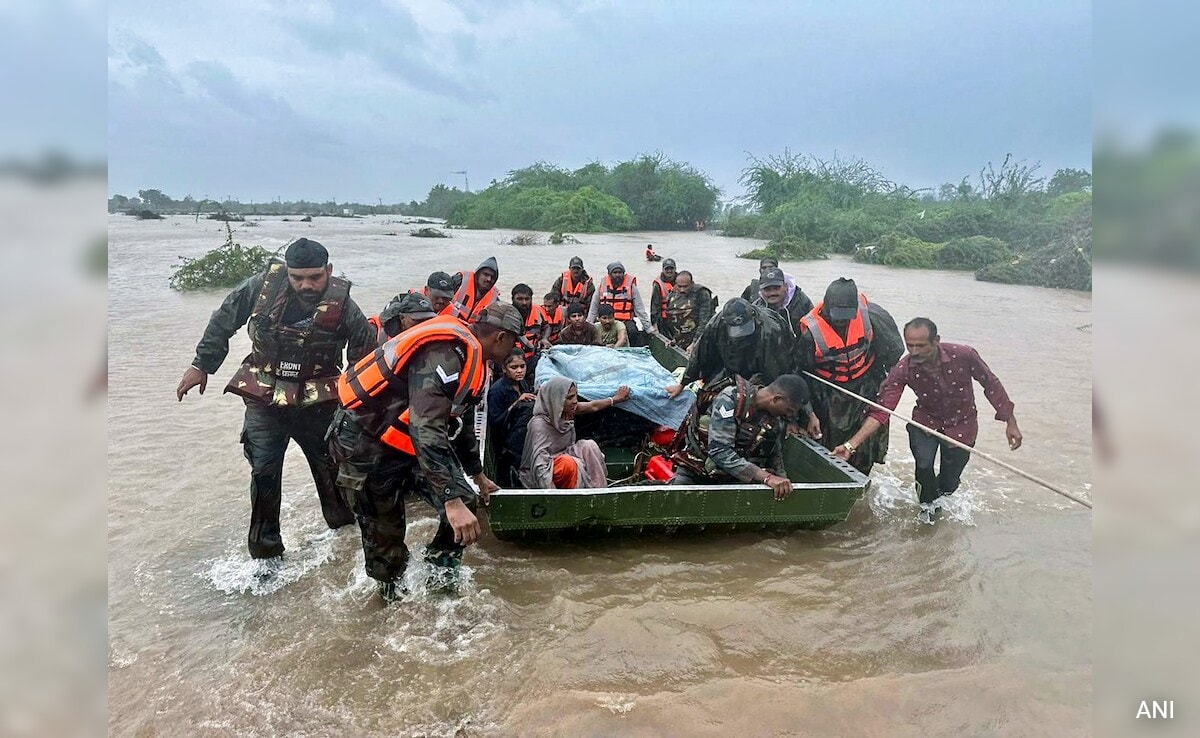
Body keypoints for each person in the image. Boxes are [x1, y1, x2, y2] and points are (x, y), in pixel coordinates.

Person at [176, 238, 375, 560]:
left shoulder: (344, 304)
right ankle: (265, 554)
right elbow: (224, 319)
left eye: (314, 278)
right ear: (287, 271)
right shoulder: (261, 288)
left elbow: (364, 358)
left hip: (318, 401)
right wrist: (202, 365)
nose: (306, 285)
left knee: (332, 472)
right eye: (298, 278)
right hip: (264, 397)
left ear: (328, 271)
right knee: (263, 471)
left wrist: (363, 412)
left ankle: (343, 539)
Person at [329, 303, 523, 601]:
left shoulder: (475, 361)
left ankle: (438, 574)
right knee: (387, 544)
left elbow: (459, 420)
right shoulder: (445, 355)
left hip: (408, 443)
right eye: (514, 342)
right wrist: (450, 499)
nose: (515, 350)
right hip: (365, 446)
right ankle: (389, 600)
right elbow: (427, 427)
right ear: (500, 338)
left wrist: (477, 474)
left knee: (467, 499)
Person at [834, 318, 1023, 522]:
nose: (914, 352)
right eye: (910, 346)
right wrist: (851, 445)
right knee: (924, 466)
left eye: (921, 346)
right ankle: (926, 510)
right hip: (926, 422)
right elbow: (882, 411)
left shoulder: (964, 355)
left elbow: (990, 384)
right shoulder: (904, 368)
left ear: (936, 341)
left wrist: (1010, 422)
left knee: (949, 484)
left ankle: (939, 498)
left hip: (962, 423)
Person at [798, 278, 903, 474]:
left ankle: (862, 476)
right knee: (827, 442)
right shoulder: (810, 332)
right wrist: (809, 412)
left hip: (865, 384)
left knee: (866, 442)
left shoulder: (873, 316)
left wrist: (885, 384)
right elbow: (801, 374)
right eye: (837, 315)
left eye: (847, 316)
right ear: (827, 307)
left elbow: (893, 352)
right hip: (828, 390)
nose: (842, 321)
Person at [670, 374, 813, 500]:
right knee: (674, 501)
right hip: (697, 470)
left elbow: (775, 454)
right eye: (788, 410)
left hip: (735, 478)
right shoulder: (730, 399)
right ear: (776, 399)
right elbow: (720, 452)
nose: (789, 415)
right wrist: (767, 478)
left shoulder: (776, 419)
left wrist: (782, 480)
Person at [665, 298, 799, 406]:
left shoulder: (771, 331)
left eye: (744, 328)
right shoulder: (716, 324)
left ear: (753, 316)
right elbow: (699, 356)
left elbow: (778, 370)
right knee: (706, 400)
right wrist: (682, 384)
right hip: (731, 366)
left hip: (761, 370)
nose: (741, 334)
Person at [519, 377, 631, 489]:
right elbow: (540, 465)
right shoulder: (539, 424)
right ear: (557, 400)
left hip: (564, 456)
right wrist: (551, 497)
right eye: (569, 398)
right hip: (545, 471)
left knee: (588, 446)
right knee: (569, 464)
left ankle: (598, 490)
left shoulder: (566, 411)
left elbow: (593, 406)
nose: (575, 401)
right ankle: (574, 497)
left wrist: (615, 399)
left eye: (575, 395)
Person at [487, 350, 537, 487]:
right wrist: (515, 404)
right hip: (507, 446)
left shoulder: (523, 384)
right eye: (514, 368)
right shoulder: (497, 391)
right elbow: (495, 423)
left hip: (523, 437)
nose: (519, 371)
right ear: (504, 368)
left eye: (522, 366)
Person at [587, 261, 658, 347]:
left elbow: (640, 310)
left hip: (625, 321)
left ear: (623, 274)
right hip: (606, 320)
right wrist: (588, 325)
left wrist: (649, 329)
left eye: (620, 272)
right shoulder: (602, 286)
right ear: (610, 274)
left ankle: (632, 351)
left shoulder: (631, 287)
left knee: (632, 331)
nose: (617, 275)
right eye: (615, 272)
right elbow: (593, 308)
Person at [753, 267, 815, 338]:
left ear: (785, 286)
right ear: (761, 291)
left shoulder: (802, 303)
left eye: (776, 288)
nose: (772, 293)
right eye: (767, 289)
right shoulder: (756, 310)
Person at [663, 270, 714, 351]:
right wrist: (674, 340)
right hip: (682, 338)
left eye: (685, 286)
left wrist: (694, 344)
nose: (682, 290)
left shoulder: (701, 293)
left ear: (692, 283)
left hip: (700, 340)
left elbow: (704, 322)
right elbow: (675, 318)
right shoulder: (673, 294)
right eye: (679, 286)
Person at [368, 291, 438, 343]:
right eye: (418, 320)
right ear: (402, 318)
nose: (423, 325)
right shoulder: (374, 332)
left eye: (428, 320)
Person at [444, 256, 499, 321]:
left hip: (467, 330)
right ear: (478, 273)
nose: (489, 279)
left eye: (492, 277)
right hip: (445, 322)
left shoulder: (494, 299)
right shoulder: (459, 280)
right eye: (485, 274)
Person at [511, 283, 551, 365]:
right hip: (513, 358)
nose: (524, 303)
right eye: (520, 299)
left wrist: (544, 338)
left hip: (534, 355)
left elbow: (547, 326)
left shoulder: (538, 310)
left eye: (527, 299)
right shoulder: (507, 314)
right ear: (512, 299)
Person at [649, 258, 677, 333]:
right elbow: (654, 305)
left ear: (675, 269)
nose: (669, 271)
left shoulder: (681, 281)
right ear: (663, 270)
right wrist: (654, 324)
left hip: (679, 316)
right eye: (667, 269)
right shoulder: (658, 284)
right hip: (665, 319)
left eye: (671, 268)